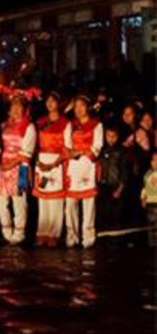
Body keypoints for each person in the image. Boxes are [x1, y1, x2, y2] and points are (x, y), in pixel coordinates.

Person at [0, 93, 36, 245]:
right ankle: (6, 231)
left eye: (20, 106)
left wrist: (11, 164)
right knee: (1, 200)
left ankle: (19, 233)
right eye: (14, 106)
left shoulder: (29, 126)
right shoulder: (6, 125)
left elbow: (27, 151)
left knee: (19, 201)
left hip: (20, 166)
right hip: (4, 164)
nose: (16, 109)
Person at [33, 91, 72, 247]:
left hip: (57, 162)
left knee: (55, 200)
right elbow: (34, 143)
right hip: (42, 161)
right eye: (47, 101)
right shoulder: (40, 122)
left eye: (53, 101)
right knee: (43, 199)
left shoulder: (65, 123)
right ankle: (42, 232)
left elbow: (67, 147)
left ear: (59, 103)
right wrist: (38, 161)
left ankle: (54, 233)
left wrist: (54, 163)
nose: (50, 104)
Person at [65, 94, 103, 248]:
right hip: (73, 166)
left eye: (82, 106)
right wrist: (72, 152)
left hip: (88, 166)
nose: (79, 110)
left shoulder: (96, 125)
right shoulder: (71, 125)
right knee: (70, 204)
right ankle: (72, 236)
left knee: (89, 204)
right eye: (76, 107)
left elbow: (97, 147)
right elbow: (67, 145)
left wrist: (80, 151)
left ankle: (88, 237)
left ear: (88, 107)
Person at [97, 123, 129, 233]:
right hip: (103, 186)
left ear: (118, 136)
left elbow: (125, 172)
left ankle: (115, 243)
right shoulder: (101, 149)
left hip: (116, 186)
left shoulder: (122, 151)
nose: (111, 139)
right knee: (103, 215)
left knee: (116, 216)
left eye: (114, 136)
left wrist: (120, 189)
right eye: (108, 136)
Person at [141, 151, 157, 247]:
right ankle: (152, 244)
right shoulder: (147, 174)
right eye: (154, 160)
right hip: (150, 203)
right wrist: (143, 198)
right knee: (151, 225)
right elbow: (145, 188)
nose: (156, 163)